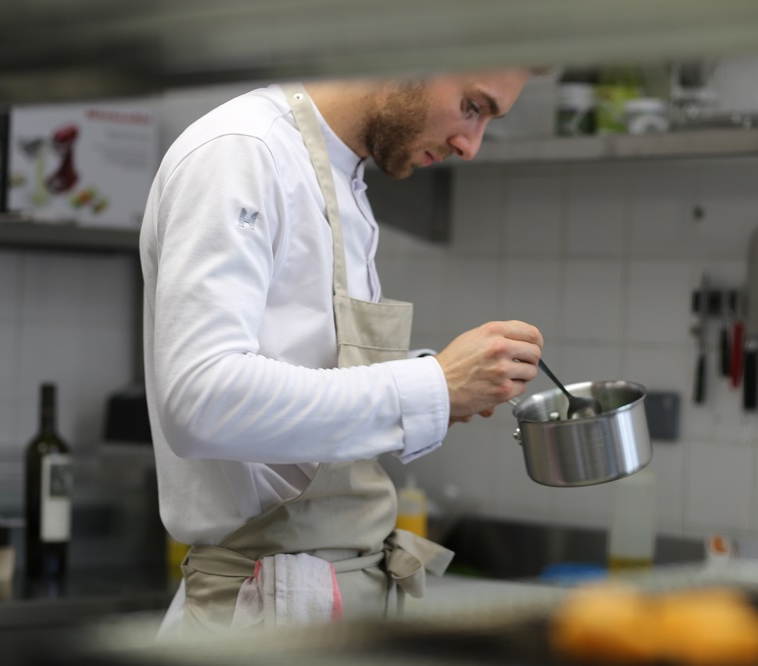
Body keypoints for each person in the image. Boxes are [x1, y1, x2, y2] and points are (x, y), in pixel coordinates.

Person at [140, 67, 544, 635]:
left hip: (328, 599)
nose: (469, 146)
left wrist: (441, 385)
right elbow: (201, 400)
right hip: (261, 615)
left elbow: (300, 376)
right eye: (472, 107)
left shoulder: (340, 176)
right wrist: (433, 387)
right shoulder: (242, 151)